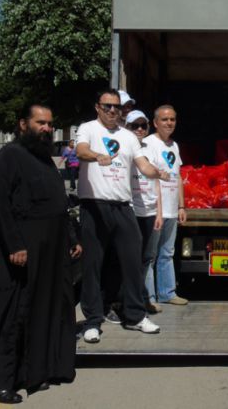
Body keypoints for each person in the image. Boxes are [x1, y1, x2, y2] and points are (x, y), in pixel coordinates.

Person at [0, 104, 82, 405]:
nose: (47, 129)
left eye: (50, 124)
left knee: (39, 311)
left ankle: (33, 373)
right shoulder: (7, 158)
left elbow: (58, 203)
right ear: (23, 124)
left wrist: (71, 237)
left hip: (48, 252)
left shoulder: (44, 159)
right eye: (41, 123)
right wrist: (15, 245)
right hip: (18, 252)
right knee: (12, 316)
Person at [77, 90, 169, 343]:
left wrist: (157, 173)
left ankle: (136, 316)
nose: (112, 111)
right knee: (93, 265)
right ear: (97, 107)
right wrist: (97, 156)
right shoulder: (87, 129)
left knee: (132, 262)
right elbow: (82, 151)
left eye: (116, 107)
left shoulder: (128, 136)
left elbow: (143, 165)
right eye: (107, 106)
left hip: (123, 206)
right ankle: (92, 321)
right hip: (94, 205)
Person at [143, 105, 189, 306]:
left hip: (172, 208)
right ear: (155, 122)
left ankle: (167, 293)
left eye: (172, 119)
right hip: (156, 209)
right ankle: (149, 297)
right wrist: (157, 209)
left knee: (167, 253)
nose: (169, 123)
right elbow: (150, 176)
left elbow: (177, 176)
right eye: (164, 119)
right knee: (150, 255)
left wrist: (181, 206)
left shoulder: (174, 146)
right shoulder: (148, 144)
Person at [126, 110, 164, 314]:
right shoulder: (125, 145)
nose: (139, 129)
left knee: (147, 257)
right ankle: (130, 300)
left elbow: (156, 181)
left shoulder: (152, 147)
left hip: (150, 210)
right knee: (132, 257)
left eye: (143, 125)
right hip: (132, 210)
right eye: (135, 126)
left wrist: (159, 212)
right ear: (127, 127)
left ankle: (143, 298)